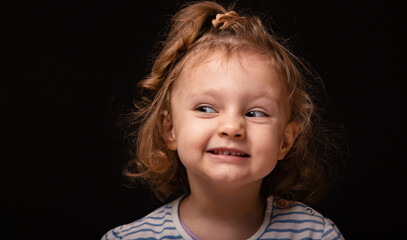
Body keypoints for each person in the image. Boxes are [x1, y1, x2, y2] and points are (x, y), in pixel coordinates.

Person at [102, 1, 345, 239]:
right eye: (206, 108)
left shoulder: (316, 234)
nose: (231, 128)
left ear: (285, 139)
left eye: (255, 113)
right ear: (170, 130)